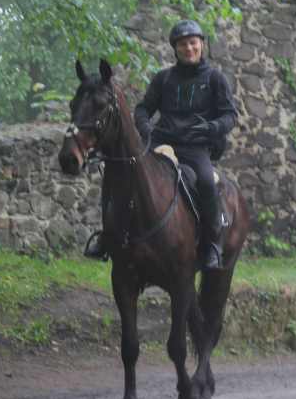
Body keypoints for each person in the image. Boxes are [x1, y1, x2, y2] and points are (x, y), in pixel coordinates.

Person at [85, 19, 238, 270]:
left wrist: (212, 128)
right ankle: (106, 236)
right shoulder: (163, 78)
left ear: (201, 44)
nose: (188, 49)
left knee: (207, 181)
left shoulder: (215, 79)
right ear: (175, 49)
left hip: (195, 147)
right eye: (182, 45)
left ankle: (212, 244)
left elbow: (229, 115)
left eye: (192, 43)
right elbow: (144, 108)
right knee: (118, 175)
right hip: (160, 145)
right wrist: (146, 129)